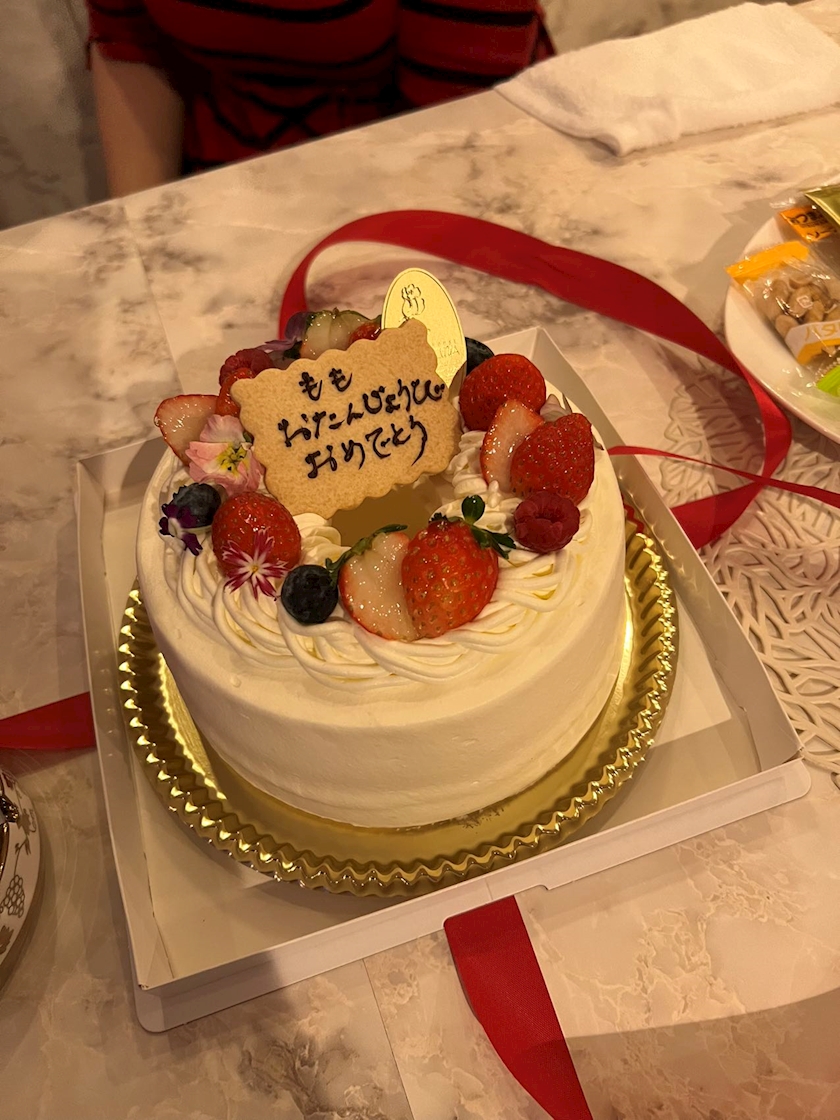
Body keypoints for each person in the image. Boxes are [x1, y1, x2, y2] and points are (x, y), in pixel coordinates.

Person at [87, 0, 553, 197]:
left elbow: (445, 145)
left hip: (434, 162)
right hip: (223, 166)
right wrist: (140, 240)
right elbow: (130, 45)